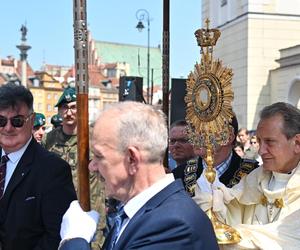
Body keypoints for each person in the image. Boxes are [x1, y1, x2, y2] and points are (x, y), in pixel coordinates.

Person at [59, 101, 219, 250]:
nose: (92, 166)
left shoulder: (172, 225)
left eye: (99, 156)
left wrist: (74, 239)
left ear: (132, 159)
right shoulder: (139, 213)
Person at [193, 102, 300, 249]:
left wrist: (234, 235)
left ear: (297, 143)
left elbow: (286, 240)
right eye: (260, 141)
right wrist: (212, 197)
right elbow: (231, 213)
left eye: (270, 142)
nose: (261, 151)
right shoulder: (256, 178)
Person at [0, 83, 76, 250]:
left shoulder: (53, 170)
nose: (8, 128)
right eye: (1, 120)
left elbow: (56, 236)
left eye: (17, 121)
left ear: (31, 120)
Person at [42, 87, 106, 249]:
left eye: (73, 107)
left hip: (91, 211)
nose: (69, 112)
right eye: (64, 108)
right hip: (58, 212)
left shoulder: (96, 138)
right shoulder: (49, 140)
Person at [172, 115, 259, 196]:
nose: (196, 137)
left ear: (228, 137)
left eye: (205, 131)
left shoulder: (254, 175)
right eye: (194, 130)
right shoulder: (179, 175)